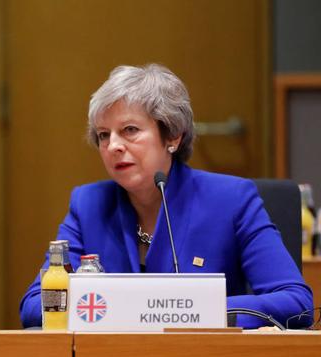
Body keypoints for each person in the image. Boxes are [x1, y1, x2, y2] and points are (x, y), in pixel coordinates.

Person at [20, 64, 313, 329]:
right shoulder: (89, 205)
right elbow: (37, 304)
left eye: (129, 130)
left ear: (173, 136)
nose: (113, 146)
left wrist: (194, 311)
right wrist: (132, 310)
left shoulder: (232, 200)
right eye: (103, 135)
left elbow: (296, 303)